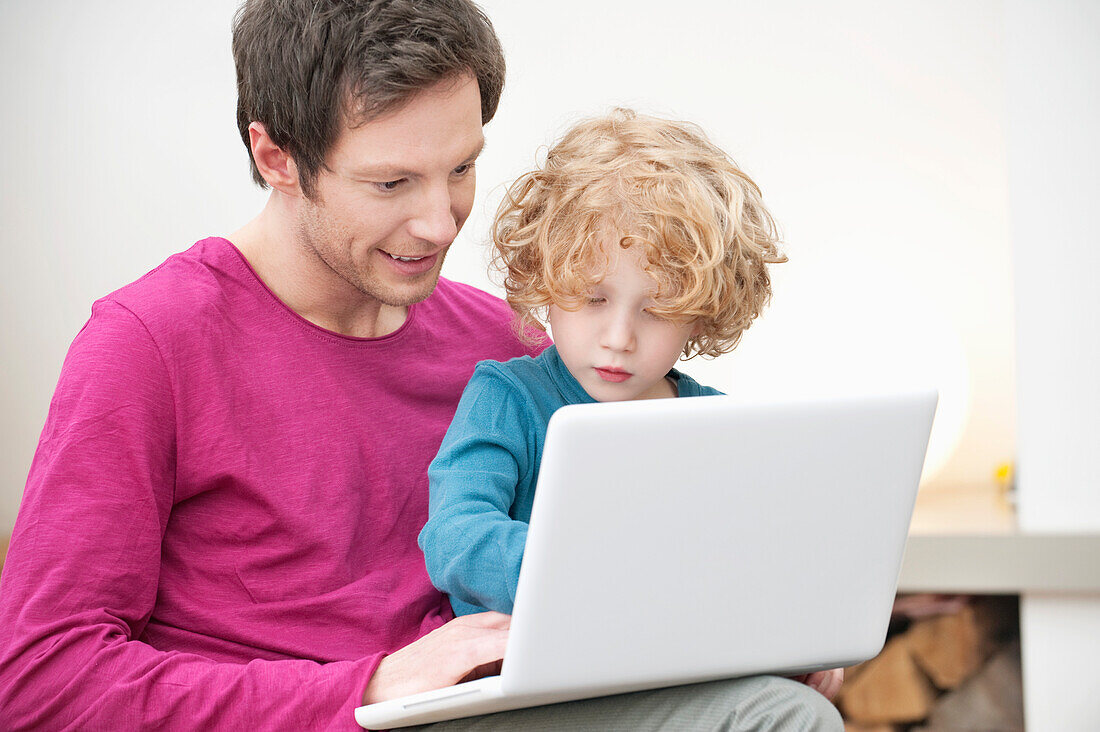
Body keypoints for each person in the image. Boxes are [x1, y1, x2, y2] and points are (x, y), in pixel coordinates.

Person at [0, 1, 843, 729]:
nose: (442, 224)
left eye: (463, 168)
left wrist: (760, 630)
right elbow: (38, 681)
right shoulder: (148, 343)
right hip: (336, 716)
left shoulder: (513, 346)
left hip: (494, 708)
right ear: (276, 157)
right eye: (392, 182)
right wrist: (365, 685)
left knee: (780, 710)